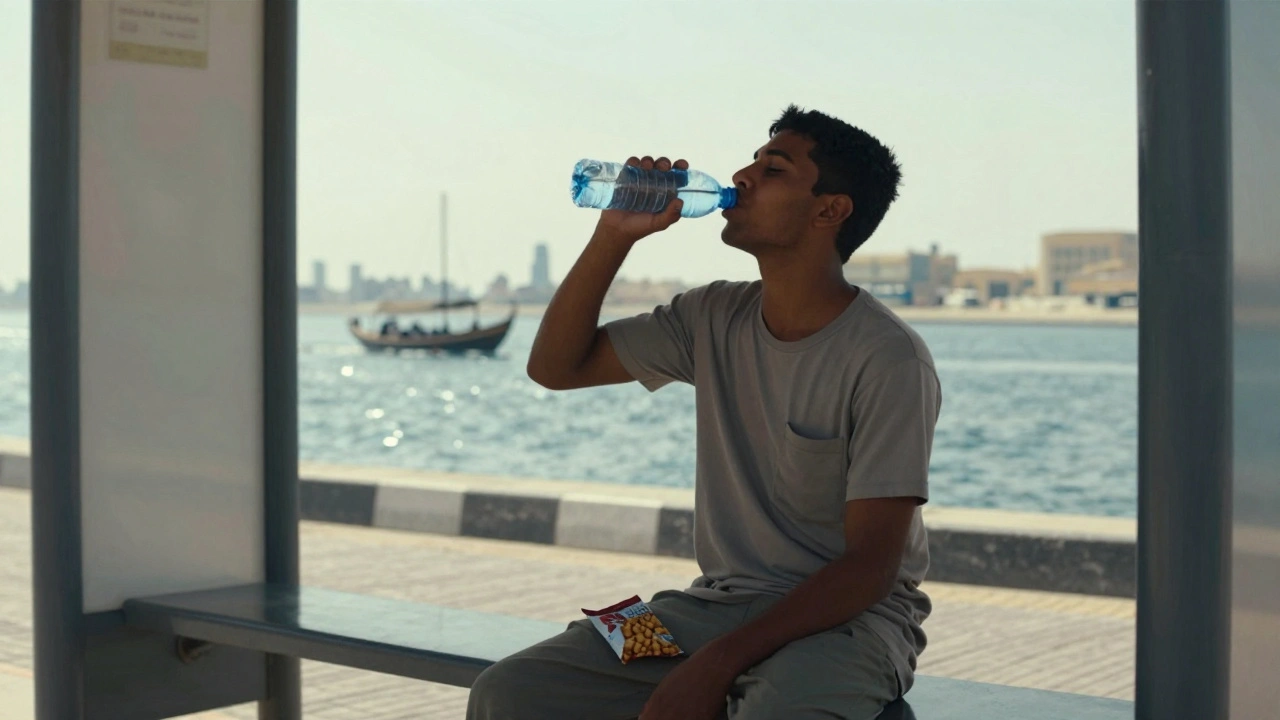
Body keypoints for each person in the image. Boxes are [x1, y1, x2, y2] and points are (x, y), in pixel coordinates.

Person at [467, 105, 942, 720]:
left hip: (850, 627)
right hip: (710, 607)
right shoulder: (711, 316)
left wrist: (716, 664)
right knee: (512, 689)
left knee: (775, 709)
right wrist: (614, 235)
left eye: (773, 169)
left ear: (830, 210)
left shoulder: (888, 357)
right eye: (753, 161)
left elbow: (870, 570)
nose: (742, 176)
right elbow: (555, 368)